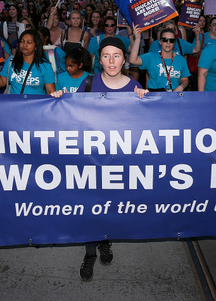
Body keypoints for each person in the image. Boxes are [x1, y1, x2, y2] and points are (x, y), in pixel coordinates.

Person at [50, 37, 148, 282]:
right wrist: (61, 98)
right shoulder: (90, 81)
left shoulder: (133, 86)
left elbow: (144, 125)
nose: (111, 61)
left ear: (124, 59)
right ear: (98, 59)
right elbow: (75, 112)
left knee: (112, 206)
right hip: (92, 160)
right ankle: (90, 252)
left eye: (116, 55)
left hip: (119, 162)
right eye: (106, 56)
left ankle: (106, 241)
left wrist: (146, 99)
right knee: (92, 207)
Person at [0, 29, 55, 95]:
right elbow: (2, 82)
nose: (24, 45)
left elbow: (50, 91)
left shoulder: (45, 65)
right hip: (14, 107)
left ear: (36, 47)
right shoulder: (12, 61)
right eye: (22, 41)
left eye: (29, 42)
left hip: (36, 108)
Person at [130, 24, 190, 92]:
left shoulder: (181, 60)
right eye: (165, 40)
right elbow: (133, 60)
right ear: (160, 42)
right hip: (155, 95)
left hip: (174, 94)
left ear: (174, 43)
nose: (168, 43)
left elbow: (185, 80)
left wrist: (181, 86)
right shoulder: (151, 57)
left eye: (171, 40)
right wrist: (137, 39)